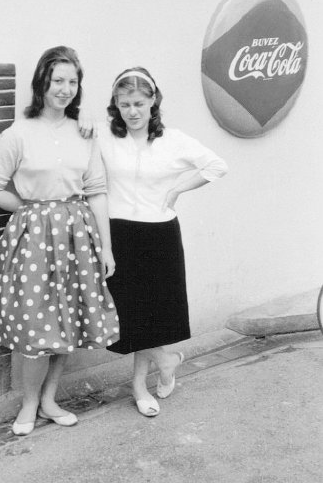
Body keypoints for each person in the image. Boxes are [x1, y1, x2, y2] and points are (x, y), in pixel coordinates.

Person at [0, 46, 119, 435]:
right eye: (58, 80)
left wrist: (105, 248)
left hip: (78, 236)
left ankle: (48, 400)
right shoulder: (18, 134)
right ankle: (27, 405)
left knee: (68, 322)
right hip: (35, 239)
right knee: (35, 325)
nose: (66, 89)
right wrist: (29, 208)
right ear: (42, 82)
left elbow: (97, 190)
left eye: (73, 82)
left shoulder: (84, 132)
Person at [97, 67, 228, 417]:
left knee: (151, 314)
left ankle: (139, 387)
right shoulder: (104, 137)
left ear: (153, 101)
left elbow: (217, 166)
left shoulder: (174, 140)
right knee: (127, 313)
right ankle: (167, 360)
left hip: (159, 235)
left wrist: (177, 188)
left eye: (139, 103)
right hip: (120, 234)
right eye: (124, 104)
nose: (132, 111)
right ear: (115, 105)